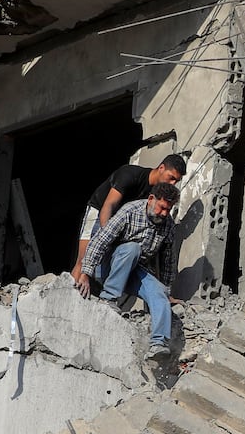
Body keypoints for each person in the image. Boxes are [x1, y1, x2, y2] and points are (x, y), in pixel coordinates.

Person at [77, 182, 181, 362]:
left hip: (134, 271)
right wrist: (85, 272)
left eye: (168, 210)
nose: (164, 214)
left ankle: (158, 344)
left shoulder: (167, 225)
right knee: (132, 249)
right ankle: (109, 299)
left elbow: (168, 261)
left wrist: (167, 290)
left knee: (159, 292)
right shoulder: (130, 211)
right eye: (162, 208)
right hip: (110, 266)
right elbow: (101, 240)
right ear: (151, 199)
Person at [69, 154, 187, 286]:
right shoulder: (130, 174)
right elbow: (109, 205)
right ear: (161, 168)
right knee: (83, 259)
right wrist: (106, 235)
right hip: (100, 211)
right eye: (171, 178)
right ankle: (70, 294)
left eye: (176, 181)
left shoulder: (157, 194)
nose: (173, 184)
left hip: (121, 222)